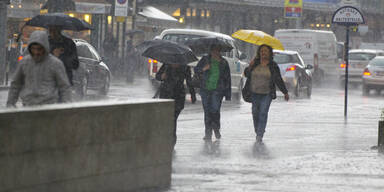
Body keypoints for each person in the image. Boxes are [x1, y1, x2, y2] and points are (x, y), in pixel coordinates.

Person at [6, 31, 72, 107]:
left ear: (45, 48)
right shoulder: (25, 63)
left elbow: (64, 87)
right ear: (29, 48)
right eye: (33, 48)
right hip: (28, 107)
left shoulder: (55, 64)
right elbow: (16, 84)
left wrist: (66, 107)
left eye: (39, 49)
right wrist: (10, 103)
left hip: (49, 108)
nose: (36, 52)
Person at [244, 44, 289, 144]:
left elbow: (278, 79)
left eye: (265, 51)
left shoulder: (273, 65)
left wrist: (285, 92)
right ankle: (258, 130)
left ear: (269, 53)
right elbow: (246, 74)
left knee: (263, 112)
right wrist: (249, 66)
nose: (263, 53)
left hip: (267, 93)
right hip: (254, 93)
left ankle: (259, 134)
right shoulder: (255, 63)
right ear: (259, 53)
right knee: (255, 113)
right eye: (261, 51)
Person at [194, 46, 231, 141]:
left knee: (215, 110)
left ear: (220, 51)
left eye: (217, 50)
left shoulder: (224, 62)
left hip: (218, 91)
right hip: (205, 89)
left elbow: (227, 79)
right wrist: (204, 69)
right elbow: (196, 70)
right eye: (213, 50)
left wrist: (228, 94)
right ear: (210, 50)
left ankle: (216, 128)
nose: (215, 52)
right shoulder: (205, 59)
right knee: (207, 112)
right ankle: (208, 134)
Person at [156, 63, 196, 148]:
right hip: (166, 96)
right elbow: (158, 76)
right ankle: (168, 138)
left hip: (178, 97)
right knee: (167, 119)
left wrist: (193, 94)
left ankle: (172, 140)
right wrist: (161, 76)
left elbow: (189, 82)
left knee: (173, 119)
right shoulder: (166, 65)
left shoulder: (185, 67)